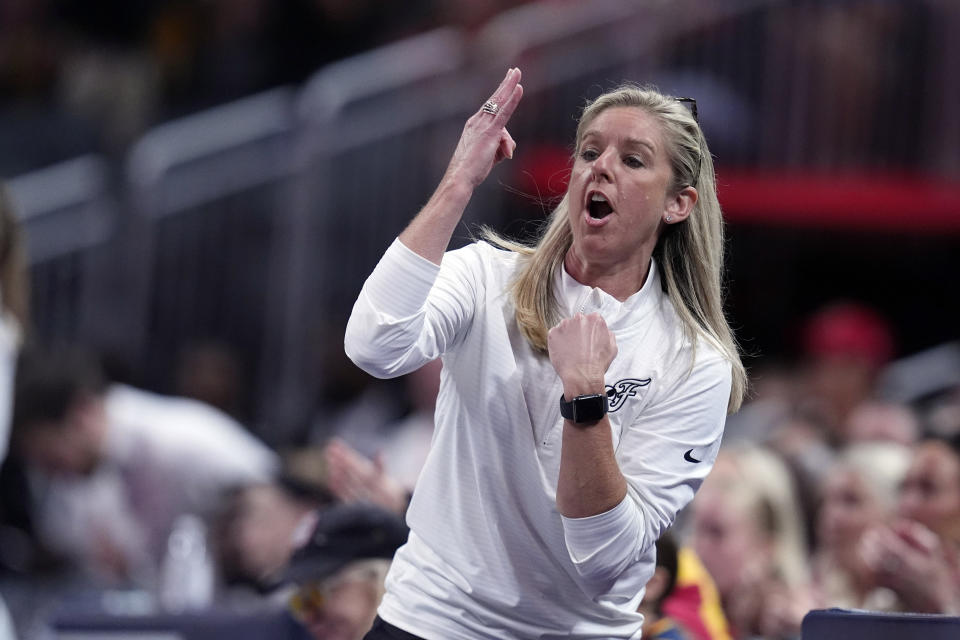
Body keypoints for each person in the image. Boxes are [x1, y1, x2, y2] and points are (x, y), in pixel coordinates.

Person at [345, 68, 746, 639]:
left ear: (678, 204)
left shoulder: (694, 364)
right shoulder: (485, 277)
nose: (600, 166)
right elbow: (373, 346)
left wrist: (586, 397)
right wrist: (460, 180)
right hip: (430, 621)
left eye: (633, 160)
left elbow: (604, 558)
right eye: (589, 151)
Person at [9, 344, 278, 586]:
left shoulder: (181, 441)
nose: (52, 474)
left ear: (82, 414)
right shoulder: (81, 481)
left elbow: (284, 502)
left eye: (51, 459)